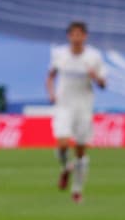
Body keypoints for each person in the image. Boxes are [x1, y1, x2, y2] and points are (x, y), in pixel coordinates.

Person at [46, 21, 107, 203]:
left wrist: (95, 77)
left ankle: (77, 189)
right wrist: (51, 93)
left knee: (81, 151)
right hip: (64, 105)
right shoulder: (60, 55)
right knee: (62, 144)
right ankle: (66, 167)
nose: (76, 38)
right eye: (73, 34)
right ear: (69, 36)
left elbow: (103, 85)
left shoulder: (94, 57)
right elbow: (50, 76)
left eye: (80, 34)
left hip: (84, 107)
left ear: (85, 36)